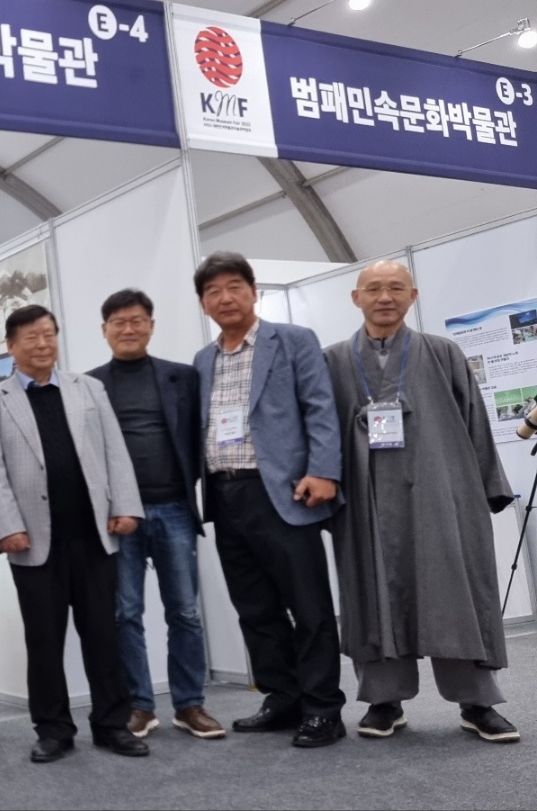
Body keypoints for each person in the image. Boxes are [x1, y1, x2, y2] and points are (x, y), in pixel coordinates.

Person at [324, 260, 519, 743]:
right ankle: (383, 701)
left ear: (412, 296)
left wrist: (488, 487)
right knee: (373, 592)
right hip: (366, 501)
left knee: (454, 590)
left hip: (442, 493)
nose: (384, 297)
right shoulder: (333, 361)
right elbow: (320, 433)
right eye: (373, 288)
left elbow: (474, 419)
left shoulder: (443, 352)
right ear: (355, 298)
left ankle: (477, 702)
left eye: (396, 288)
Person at [0, 304, 148, 763]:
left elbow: (114, 450)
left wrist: (125, 506)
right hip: (33, 542)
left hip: (94, 535)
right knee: (44, 641)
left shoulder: (88, 388)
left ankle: (112, 724)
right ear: (11, 346)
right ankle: (53, 729)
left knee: (103, 635)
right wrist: (7, 527)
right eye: (31, 336)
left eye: (49, 334)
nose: (42, 343)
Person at [192, 251, 346, 749]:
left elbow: (320, 406)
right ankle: (284, 697)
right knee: (255, 608)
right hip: (224, 494)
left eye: (234, 286)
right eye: (213, 291)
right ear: (203, 303)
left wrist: (324, 470)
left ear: (254, 292)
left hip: (283, 491)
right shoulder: (203, 360)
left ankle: (323, 709)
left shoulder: (293, 340)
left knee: (309, 606)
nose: (225, 298)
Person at [87, 289, 224, 741]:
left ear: (151, 325)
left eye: (137, 320)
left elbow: (200, 436)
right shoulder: (89, 385)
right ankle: (139, 706)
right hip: (119, 515)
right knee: (125, 613)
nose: (128, 329)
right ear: (104, 329)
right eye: (119, 322)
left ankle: (189, 704)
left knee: (184, 611)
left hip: (174, 509)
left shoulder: (182, 377)